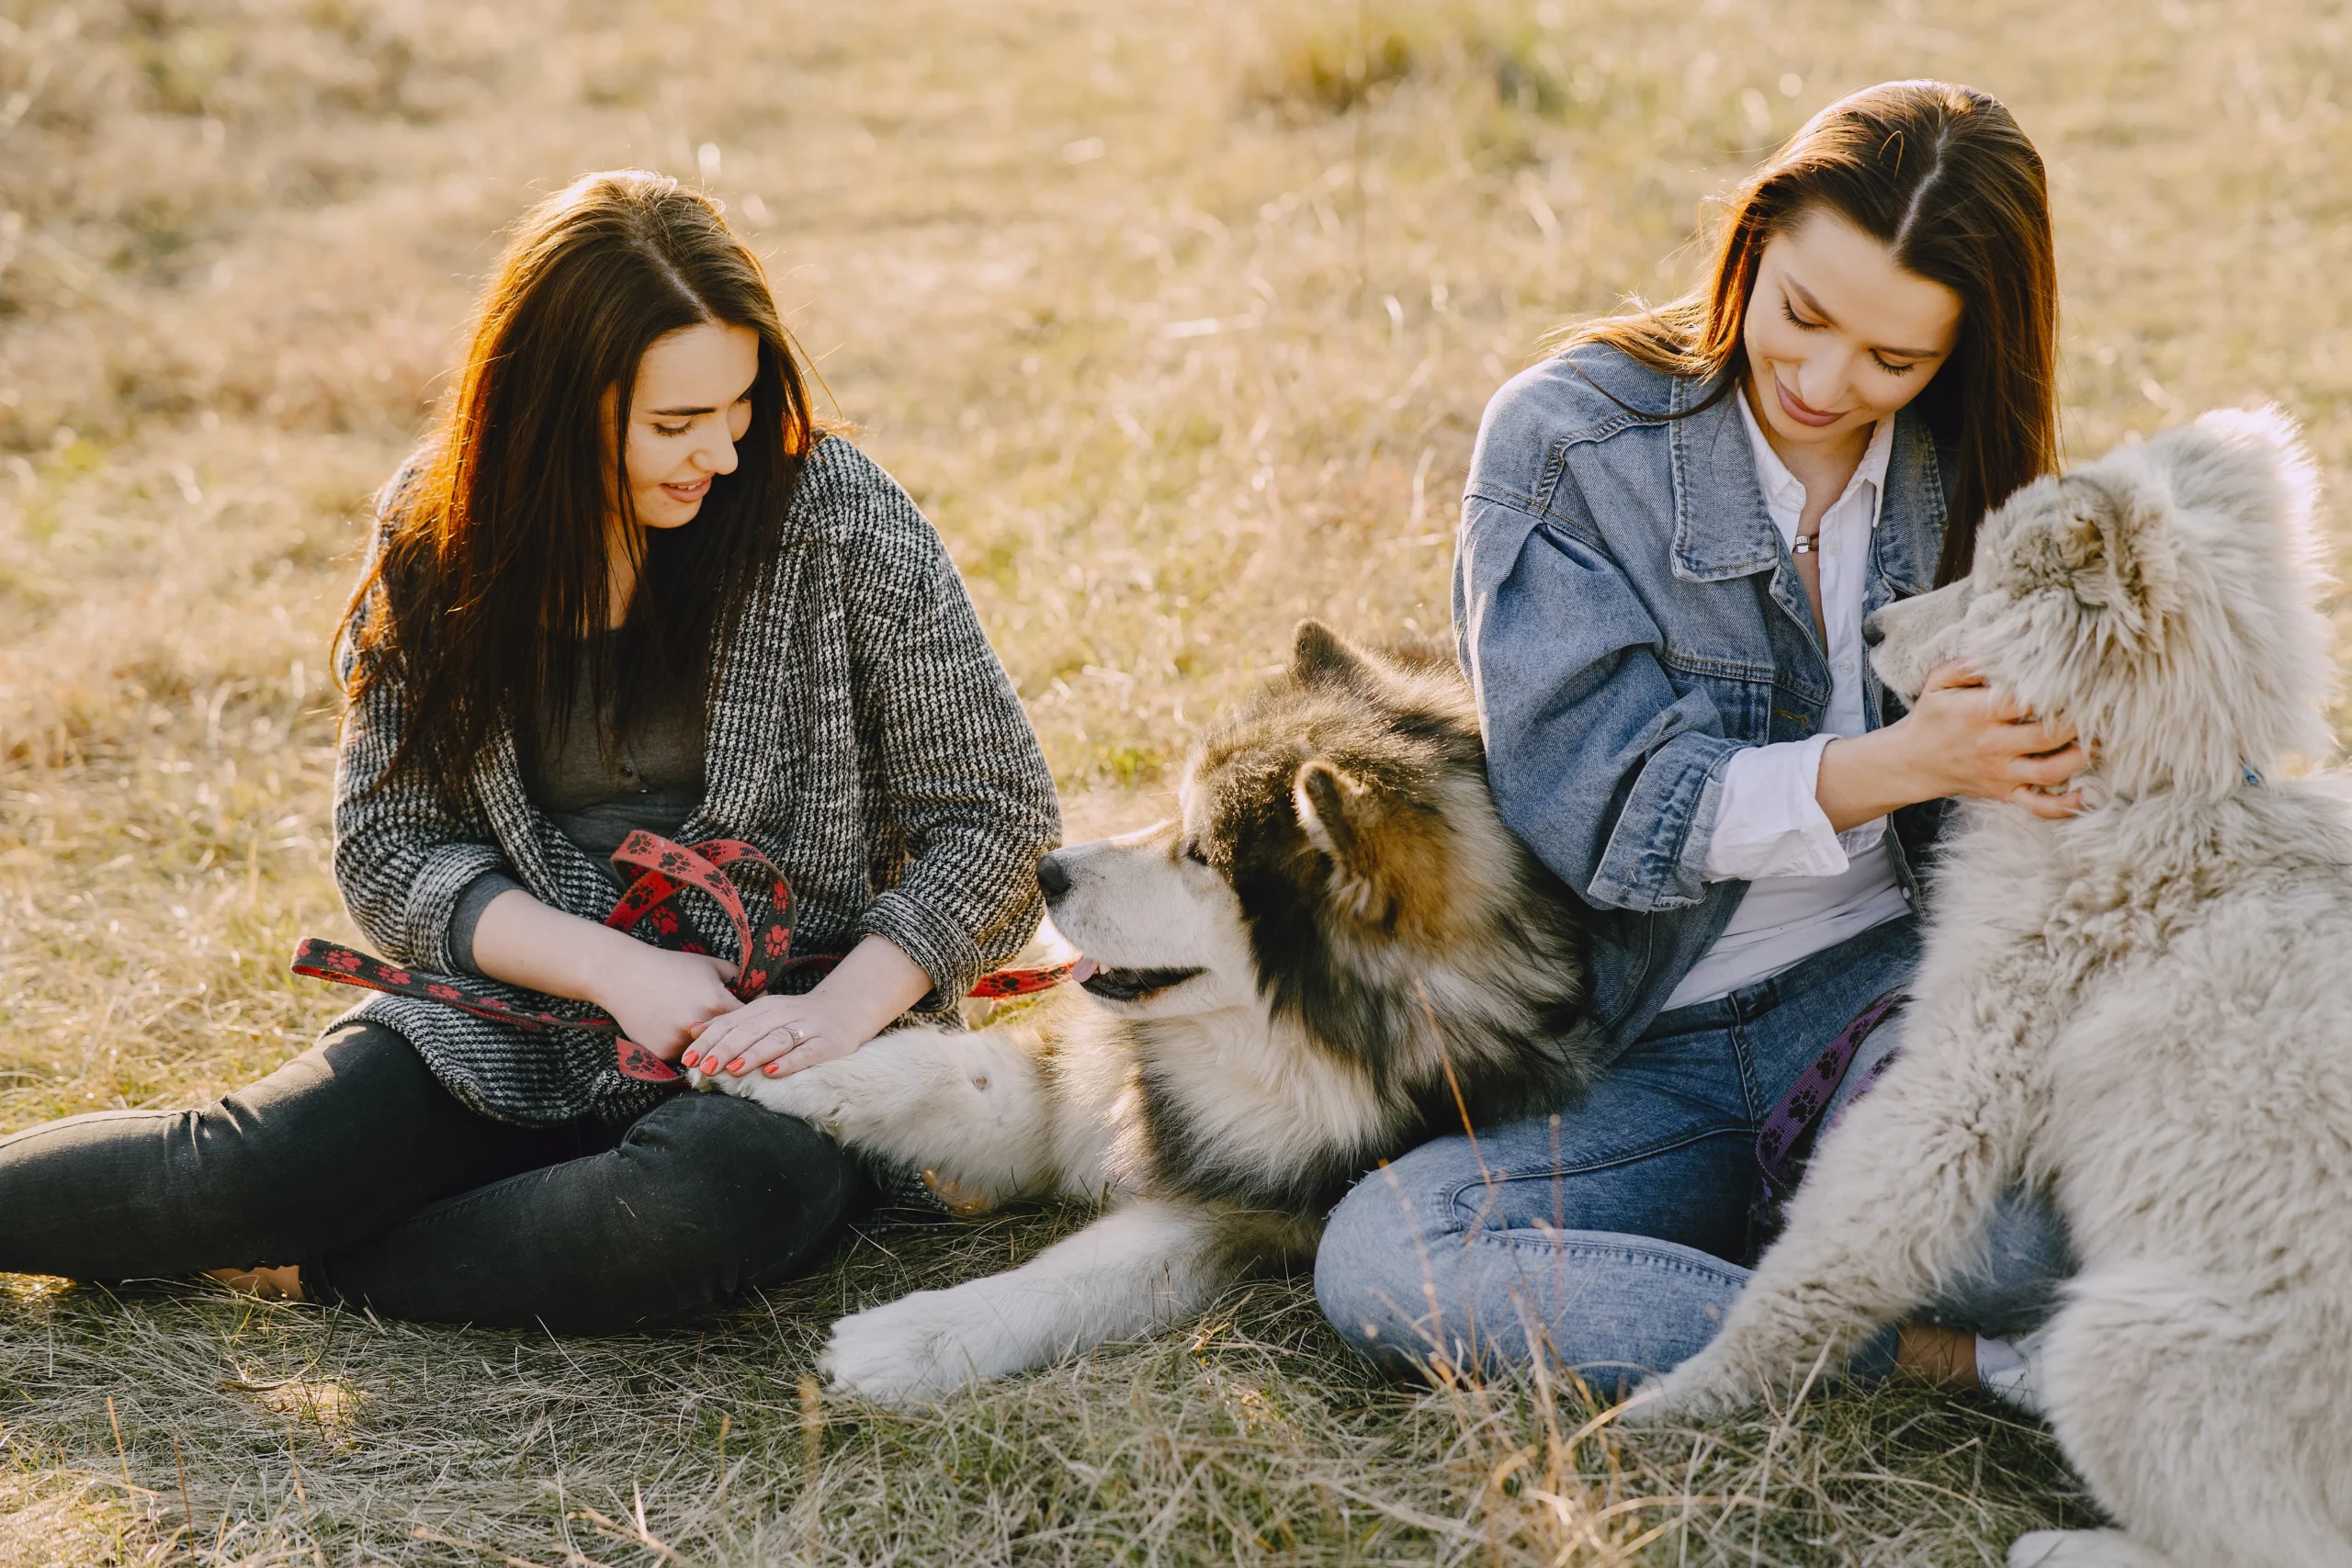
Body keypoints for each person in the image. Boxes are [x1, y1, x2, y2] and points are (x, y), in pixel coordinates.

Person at [0, 172, 1060, 1334]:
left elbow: (998, 820)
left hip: (781, 1043)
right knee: (245, 1173)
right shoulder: (440, 528)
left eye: (740, 404)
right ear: (555, 406)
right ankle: (313, 1216)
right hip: (514, 1012)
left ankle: (321, 1271)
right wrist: (612, 969)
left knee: (693, 1210)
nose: (719, 449)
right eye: (672, 424)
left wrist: (843, 1012)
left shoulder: (841, 520)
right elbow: (392, 844)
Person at [1316, 82, 2077, 1400]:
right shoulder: (1570, 441)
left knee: (2020, 1237)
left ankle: (1767, 1265)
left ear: (1962, 356)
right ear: (1751, 241)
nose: (1826, 383)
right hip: (1635, 1038)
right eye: (1803, 313)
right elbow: (1603, 812)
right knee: (1388, 1259)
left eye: (1894, 362)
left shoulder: (1978, 470)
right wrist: (1905, 760)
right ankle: (1933, 1356)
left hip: (1890, 992)